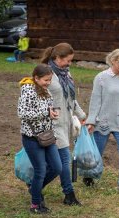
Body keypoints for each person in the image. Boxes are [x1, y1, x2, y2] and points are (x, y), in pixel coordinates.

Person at [41, 42, 86, 206]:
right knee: (63, 161)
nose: (69, 64)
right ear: (56, 58)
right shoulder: (46, 74)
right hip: (53, 124)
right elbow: (37, 98)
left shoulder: (66, 74)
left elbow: (71, 99)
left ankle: (35, 186)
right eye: (67, 60)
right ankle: (69, 194)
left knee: (55, 163)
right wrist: (47, 112)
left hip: (66, 122)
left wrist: (81, 115)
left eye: (71, 61)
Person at [85, 48, 119, 193]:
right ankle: (89, 176)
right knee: (97, 153)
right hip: (104, 121)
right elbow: (95, 101)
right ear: (113, 61)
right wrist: (91, 120)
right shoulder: (101, 77)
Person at [17, 64, 62, 214]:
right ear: (36, 78)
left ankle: (33, 188)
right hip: (32, 138)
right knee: (40, 170)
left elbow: (47, 111)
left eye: (49, 80)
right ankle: (35, 205)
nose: (48, 83)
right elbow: (22, 113)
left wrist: (52, 113)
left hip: (47, 136)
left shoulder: (45, 91)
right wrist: (45, 113)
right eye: (45, 80)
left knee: (57, 167)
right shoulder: (28, 90)